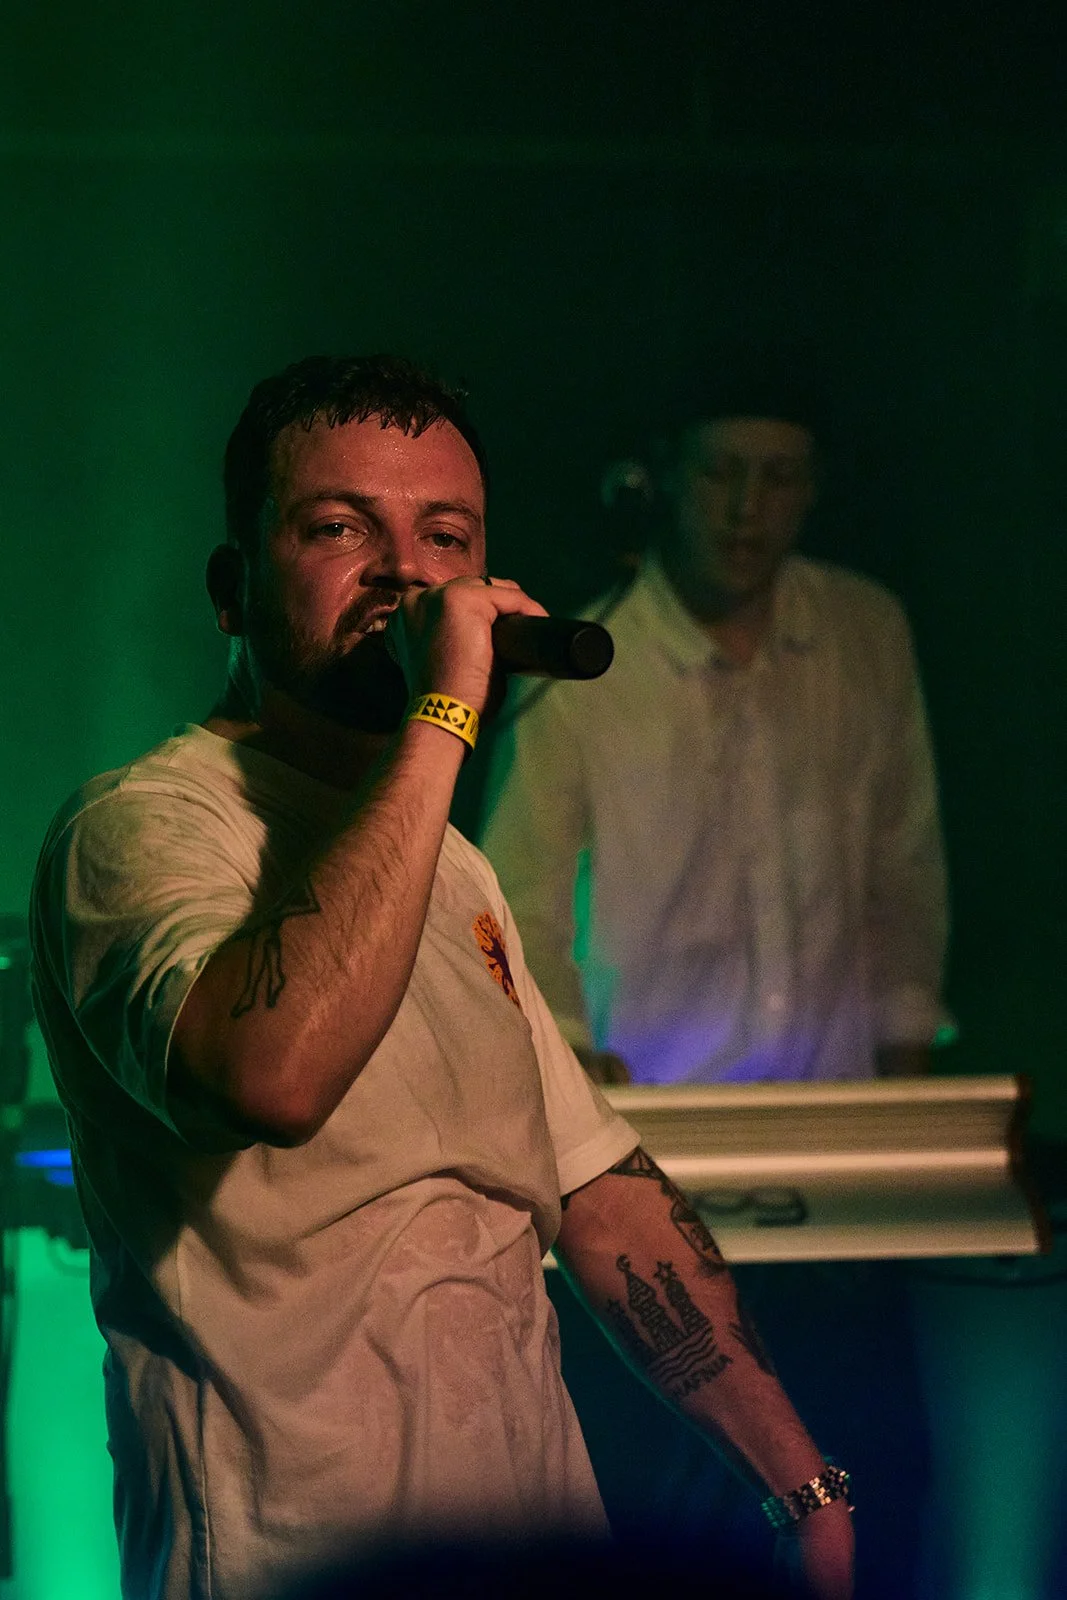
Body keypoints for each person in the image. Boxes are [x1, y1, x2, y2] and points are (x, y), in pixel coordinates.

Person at [29, 356, 853, 1600]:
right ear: (230, 591)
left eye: (445, 535)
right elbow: (271, 1075)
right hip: (290, 1562)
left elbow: (600, 1192)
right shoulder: (140, 829)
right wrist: (444, 718)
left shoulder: (452, 868)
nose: (405, 572)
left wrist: (802, 1486)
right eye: (336, 527)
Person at [480, 362, 951, 1087]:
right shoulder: (580, 660)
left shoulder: (865, 630)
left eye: (778, 478)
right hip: (649, 1116)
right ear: (664, 476)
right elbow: (521, 900)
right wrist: (570, 1067)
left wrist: (906, 1069)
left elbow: (903, 867)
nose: (746, 508)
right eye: (720, 473)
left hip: (833, 1100)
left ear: (813, 486)